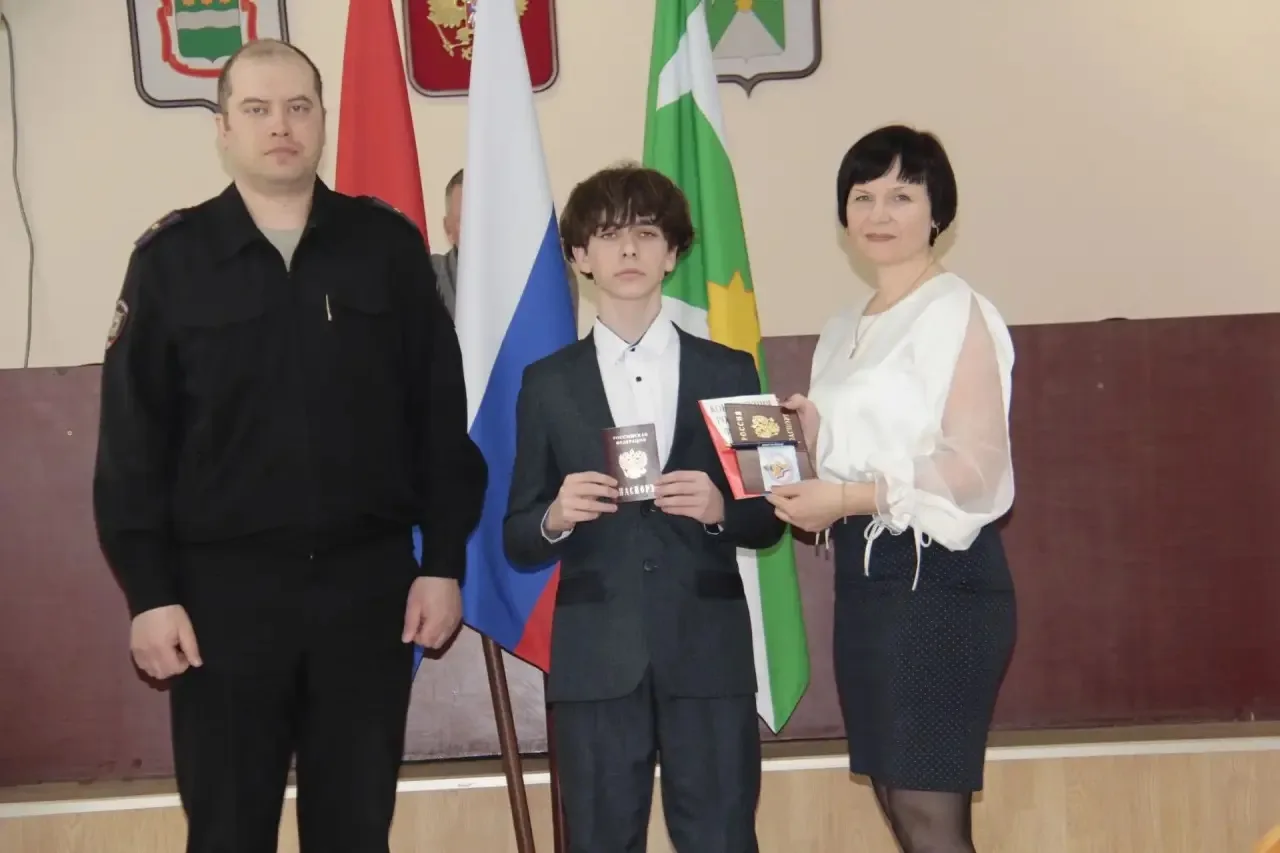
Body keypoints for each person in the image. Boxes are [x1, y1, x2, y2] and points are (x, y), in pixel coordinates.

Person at [92, 39, 487, 853]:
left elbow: (438, 420)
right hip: (222, 599)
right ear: (223, 127)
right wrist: (149, 592)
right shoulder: (172, 261)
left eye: (299, 107)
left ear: (322, 121)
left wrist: (443, 561)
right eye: (258, 109)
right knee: (228, 831)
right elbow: (133, 445)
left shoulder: (385, 248)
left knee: (355, 831)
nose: (281, 125)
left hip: (366, 590)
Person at [503, 163, 783, 853]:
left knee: (723, 839)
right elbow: (517, 535)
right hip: (596, 659)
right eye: (607, 235)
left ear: (673, 252)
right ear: (580, 256)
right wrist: (556, 515)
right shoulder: (544, 383)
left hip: (708, 655)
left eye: (647, 233)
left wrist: (720, 507)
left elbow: (772, 515)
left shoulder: (735, 367)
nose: (628, 249)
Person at [767, 125, 1017, 853]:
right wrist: (811, 447)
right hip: (866, 578)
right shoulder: (842, 325)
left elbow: (975, 468)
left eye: (902, 196)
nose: (879, 213)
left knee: (928, 814)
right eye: (863, 196)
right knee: (897, 802)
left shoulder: (957, 308)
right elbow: (860, 461)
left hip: (940, 581)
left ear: (939, 213)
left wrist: (848, 498)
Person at [431, 167, 579, 320]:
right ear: (448, 229)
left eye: (490, 217)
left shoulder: (547, 273)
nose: (481, 231)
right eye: (467, 221)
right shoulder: (427, 276)